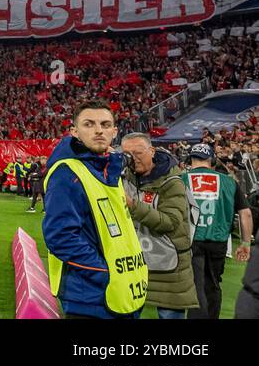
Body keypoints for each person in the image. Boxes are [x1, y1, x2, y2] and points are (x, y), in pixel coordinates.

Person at [42, 100, 148, 319]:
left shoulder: (109, 170)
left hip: (125, 289)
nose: (99, 130)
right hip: (90, 297)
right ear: (75, 132)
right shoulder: (66, 173)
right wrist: (104, 272)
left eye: (105, 124)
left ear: (115, 131)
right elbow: (60, 236)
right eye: (89, 124)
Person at [120, 133, 197, 319]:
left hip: (169, 268)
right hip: (135, 263)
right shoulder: (124, 178)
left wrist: (132, 205)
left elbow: (169, 222)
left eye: (138, 152)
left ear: (152, 151)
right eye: (127, 154)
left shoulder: (172, 182)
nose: (133, 158)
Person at [182, 143, 253, 319]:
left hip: (189, 240)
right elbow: (246, 214)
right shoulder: (229, 181)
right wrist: (245, 243)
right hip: (218, 241)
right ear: (212, 159)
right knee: (213, 284)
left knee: (196, 285)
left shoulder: (180, 179)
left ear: (190, 159)